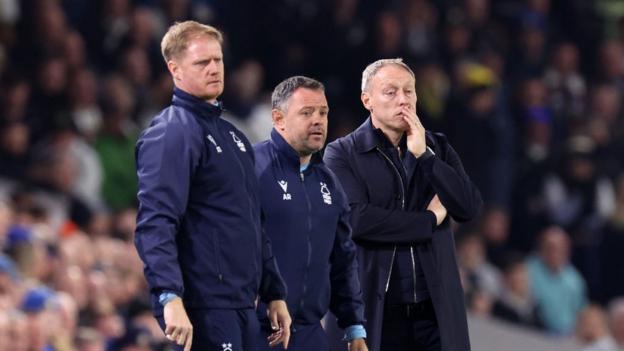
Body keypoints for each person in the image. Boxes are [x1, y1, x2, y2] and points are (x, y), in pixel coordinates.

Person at [134, 21, 291, 351]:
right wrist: (169, 295)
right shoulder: (173, 132)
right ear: (175, 70)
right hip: (204, 305)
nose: (214, 69)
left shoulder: (234, 137)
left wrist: (274, 291)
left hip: (243, 304)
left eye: (218, 60)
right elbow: (156, 220)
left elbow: (253, 221)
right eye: (202, 62)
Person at [324, 58, 482, 351]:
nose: (403, 100)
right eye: (390, 91)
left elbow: (469, 207)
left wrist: (425, 157)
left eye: (409, 92)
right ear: (367, 99)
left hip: (434, 314)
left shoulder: (439, 148)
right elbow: (357, 220)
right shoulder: (341, 153)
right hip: (376, 313)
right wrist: (429, 220)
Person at [253, 76, 368, 351]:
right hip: (257, 331)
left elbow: (343, 260)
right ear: (278, 119)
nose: (318, 120)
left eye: (323, 112)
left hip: (309, 335)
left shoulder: (329, 183)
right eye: (307, 112)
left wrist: (354, 329)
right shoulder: (251, 168)